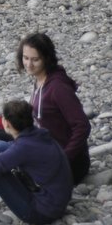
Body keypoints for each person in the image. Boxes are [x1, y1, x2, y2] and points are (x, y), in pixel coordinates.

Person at [16, 32, 91, 184]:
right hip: (46, 149)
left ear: (46, 58)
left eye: (35, 59)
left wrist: (64, 158)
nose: (29, 64)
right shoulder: (40, 80)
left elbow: (82, 126)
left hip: (67, 163)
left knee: (2, 162)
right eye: (26, 58)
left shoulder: (58, 88)